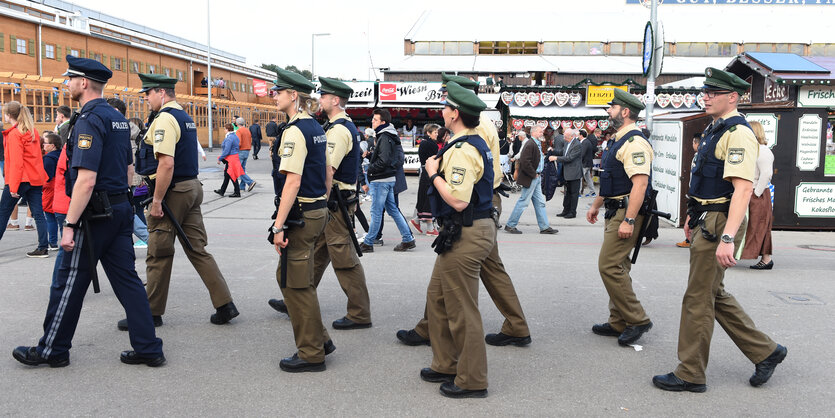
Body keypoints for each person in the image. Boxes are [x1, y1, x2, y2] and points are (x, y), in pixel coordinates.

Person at [13, 55, 165, 368]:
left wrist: (69, 224)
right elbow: (128, 168)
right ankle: (149, 347)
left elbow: (86, 179)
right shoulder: (117, 118)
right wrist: (124, 202)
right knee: (128, 281)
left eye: (70, 79)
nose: (66, 84)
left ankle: (52, 349)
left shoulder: (89, 119)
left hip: (94, 215)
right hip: (119, 208)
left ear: (83, 83)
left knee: (68, 282)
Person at [653, 68, 787, 393]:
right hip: (706, 218)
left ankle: (690, 373)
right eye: (706, 91)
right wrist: (691, 214)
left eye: (714, 92)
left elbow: (742, 190)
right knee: (713, 293)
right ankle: (766, 351)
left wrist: (727, 238)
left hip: (718, 224)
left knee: (698, 298)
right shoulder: (716, 128)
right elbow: (705, 180)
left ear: (733, 97)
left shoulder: (738, 133)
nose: (706, 96)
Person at [397, 74, 531, 349]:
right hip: (482, 204)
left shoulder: (472, 131)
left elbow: (462, 187)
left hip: (474, 206)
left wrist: (435, 175)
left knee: (454, 273)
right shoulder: (478, 124)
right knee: (489, 270)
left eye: (448, 96)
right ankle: (516, 325)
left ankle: (433, 330)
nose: (444, 107)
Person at [119, 72, 239, 331]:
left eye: (148, 94)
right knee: (197, 249)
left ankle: (150, 313)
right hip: (191, 187)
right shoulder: (184, 116)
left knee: (158, 253)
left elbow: (166, 162)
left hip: (172, 191)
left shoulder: (164, 118)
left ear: (161, 92)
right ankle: (224, 303)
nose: (147, 99)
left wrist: (157, 200)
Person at [268, 77, 371, 331]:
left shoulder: (337, 130)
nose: (320, 100)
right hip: (332, 203)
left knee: (344, 259)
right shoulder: (336, 126)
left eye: (324, 97)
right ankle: (294, 297)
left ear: (335, 100)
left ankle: (359, 312)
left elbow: (330, 170)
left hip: (335, 203)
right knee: (317, 256)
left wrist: (320, 202)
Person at [419, 81, 495, 398]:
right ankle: (446, 362)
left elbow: (459, 200)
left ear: (455, 115)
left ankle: (472, 379)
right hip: (459, 231)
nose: (443, 111)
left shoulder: (463, 150)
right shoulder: (468, 143)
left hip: (467, 229)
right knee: (437, 299)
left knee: (462, 309)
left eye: (446, 108)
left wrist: (433, 173)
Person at [268, 68, 332, 372]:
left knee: (296, 284)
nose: (274, 96)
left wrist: (278, 225)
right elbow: (327, 172)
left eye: (278, 92)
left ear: (294, 96)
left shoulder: (295, 130)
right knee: (292, 277)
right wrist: (322, 200)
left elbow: (291, 182)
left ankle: (311, 353)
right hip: (317, 209)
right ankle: (320, 338)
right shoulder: (316, 127)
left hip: (302, 213)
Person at [585, 88, 654, 347]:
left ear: (625, 112)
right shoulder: (618, 139)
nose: (608, 111)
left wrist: (629, 220)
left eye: (611, 107)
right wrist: (596, 205)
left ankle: (637, 319)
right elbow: (612, 179)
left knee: (609, 265)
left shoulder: (634, 142)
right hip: (614, 209)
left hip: (626, 212)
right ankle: (619, 320)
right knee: (619, 266)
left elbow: (639, 184)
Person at [358, 109, 416, 252]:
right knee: (393, 210)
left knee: (376, 212)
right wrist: (372, 156)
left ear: (383, 122)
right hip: (388, 178)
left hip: (381, 179)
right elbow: (387, 158)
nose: (372, 121)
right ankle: (408, 238)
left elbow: (383, 160)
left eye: (375, 120)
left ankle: (369, 242)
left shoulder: (384, 136)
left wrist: (370, 169)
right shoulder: (389, 135)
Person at [0, 101, 49, 257]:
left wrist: (13, 186)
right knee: (38, 213)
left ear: (8, 115)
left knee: (3, 213)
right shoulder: (32, 131)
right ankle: (43, 247)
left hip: (20, 179)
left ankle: (43, 247)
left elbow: (16, 163)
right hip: (34, 178)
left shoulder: (14, 134)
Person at [503, 125, 558, 234]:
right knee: (523, 201)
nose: (542, 133)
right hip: (532, 177)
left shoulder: (535, 143)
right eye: (540, 131)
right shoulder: (530, 144)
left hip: (536, 177)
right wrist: (534, 174)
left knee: (540, 203)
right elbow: (525, 161)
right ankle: (510, 224)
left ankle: (544, 227)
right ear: (533, 133)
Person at [741, 121, 775, 270]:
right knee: (756, 225)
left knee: (759, 225)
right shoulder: (753, 149)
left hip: (757, 193)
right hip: (752, 192)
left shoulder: (763, 150)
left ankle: (766, 259)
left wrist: (756, 193)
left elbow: (766, 174)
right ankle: (766, 258)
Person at [413, 123, 441, 235]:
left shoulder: (424, 143)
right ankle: (430, 228)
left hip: (425, 171)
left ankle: (416, 220)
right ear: (428, 133)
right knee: (429, 197)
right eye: (435, 132)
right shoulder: (431, 144)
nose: (437, 135)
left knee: (424, 197)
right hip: (429, 172)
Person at [677, 133, 702, 248]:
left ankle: (689, 239)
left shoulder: (699, 156)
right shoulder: (697, 155)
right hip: (694, 190)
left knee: (691, 218)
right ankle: (689, 239)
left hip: (696, 193)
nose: (692, 144)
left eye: (693, 142)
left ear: (697, 143)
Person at [550, 128, 582, 219]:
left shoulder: (577, 145)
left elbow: (570, 158)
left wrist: (556, 158)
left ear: (572, 136)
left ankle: (572, 212)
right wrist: (553, 150)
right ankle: (565, 210)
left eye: (566, 136)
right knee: (567, 193)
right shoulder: (567, 143)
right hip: (566, 172)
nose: (564, 138)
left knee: (573, 193)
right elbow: (562, 152)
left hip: (574, 173)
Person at [41, 133, 63, 251]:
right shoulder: (63, 155)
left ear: (53, 145)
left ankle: (53, 242)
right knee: (61, 217)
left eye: (46, 143)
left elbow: (46, 177)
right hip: (62, 188)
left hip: (51, 189)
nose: (43, 145)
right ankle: (64, 239)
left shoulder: (48, 159)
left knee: (50, 217)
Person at [214, 124, 243, 197]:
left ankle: (237, 192)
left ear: (227, 129)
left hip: (231, 158)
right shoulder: (235, 136)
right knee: (227, 174)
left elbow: (227, 150)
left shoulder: (229, 138)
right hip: (234, 157)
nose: (224, 130)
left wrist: (220, 158)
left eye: (224, 129)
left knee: (231, 174)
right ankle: (222, 190)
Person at [235, 117, 256, 191]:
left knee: (238, 169)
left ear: (236, 123)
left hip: (241, 151)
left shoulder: (239, 131)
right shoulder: (247, 130)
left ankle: (250, 182)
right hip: (247, 150)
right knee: (242, 168)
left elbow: (239, 143)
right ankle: (242, 186)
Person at [580, 129, 597, 197]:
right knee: (588, 178)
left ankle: (578, 193)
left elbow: (582, 154)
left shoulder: (585, 142)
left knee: (580, 178)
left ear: (581, 135)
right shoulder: (586, 141)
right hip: (588, 163)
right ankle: (592, 192)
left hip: (585, 163)